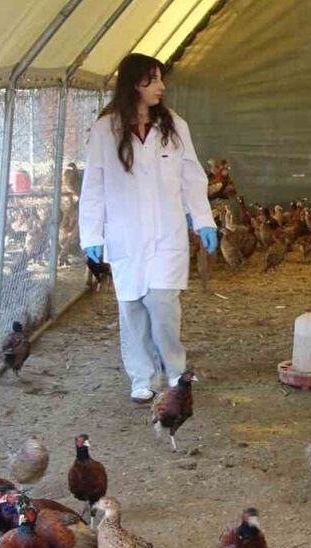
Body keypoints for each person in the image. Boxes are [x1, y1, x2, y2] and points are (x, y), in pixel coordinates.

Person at [79, 53, 218, 403]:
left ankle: (175, 370)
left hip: (166, 233)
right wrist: (91, 235)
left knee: (162, 304)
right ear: (133, 85)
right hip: (124, 234)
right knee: (132, 308)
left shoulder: (174, 126)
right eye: (152, 79)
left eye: (160, 79)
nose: (161, 86)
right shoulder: (105, 130)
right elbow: (93, 185)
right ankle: (142, 376)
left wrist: (202, 219)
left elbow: (191, 176)